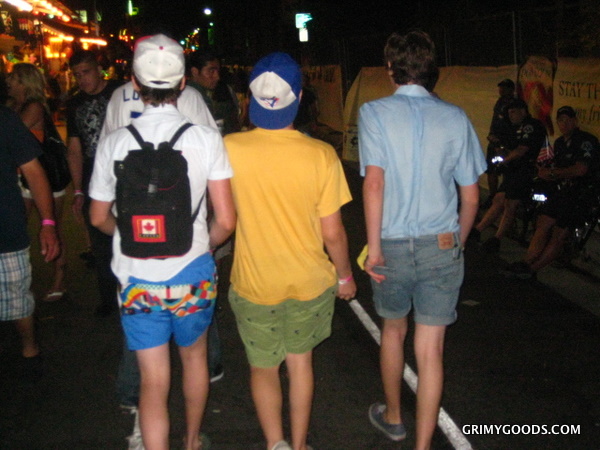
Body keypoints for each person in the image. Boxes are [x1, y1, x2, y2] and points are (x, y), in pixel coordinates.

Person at [89, 34, 235, 450]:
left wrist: (133, 235)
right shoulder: (206, 139)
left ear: (135, 83)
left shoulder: (114, 143)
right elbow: (226, 220)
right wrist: (201, 243)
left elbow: (98, 217)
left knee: (153, 379)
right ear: (182, 84)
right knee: (194, 359)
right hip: (193, 273)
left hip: (138, 279)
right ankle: (191, 440)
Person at [358, 31, 485, 448]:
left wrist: (374, 248)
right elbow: (470, 196)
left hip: (391, 244)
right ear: (430, 69)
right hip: (441, 243)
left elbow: (374, 183)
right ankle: (423, 445)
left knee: (393, 331)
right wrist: (456, 242)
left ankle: (395, 417)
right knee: (431, 351)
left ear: (390, 68)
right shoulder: (455, 117)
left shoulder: (374, 112)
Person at [224, 52, 356, 450]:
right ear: (298, 97)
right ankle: (298, 445)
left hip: (254, 282)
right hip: (309, 282)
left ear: (250, 99)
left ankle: (275, 444)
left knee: (263, 368)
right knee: (301, 364)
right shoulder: (321, 155)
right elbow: (333, 233)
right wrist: (345, 277)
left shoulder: (229, 147)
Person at [503, 106, 600, 279]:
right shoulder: (560, 143)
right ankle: (526, 262)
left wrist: (553, 173)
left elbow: (580, 170)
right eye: (561, 120)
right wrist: (545, 172)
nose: (564, 124)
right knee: (543, 223)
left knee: (559, 234)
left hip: (581, 193)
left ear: (575, 121)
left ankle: (533, 269)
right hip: (563, 190)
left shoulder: (586, 141)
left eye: (568, 120)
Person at [0, 104, 60, 378]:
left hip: (6, 229)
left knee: (16, 298)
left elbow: (34, 172)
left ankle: (29, 349)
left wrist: (47, 224)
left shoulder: (5, 120)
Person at [66, 50, 123, 317]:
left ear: (98, 69)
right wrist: (78, 190)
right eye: (77, 75)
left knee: (127, 231)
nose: (82, 80)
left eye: (86, 72)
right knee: (100, 240)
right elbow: (75, 150)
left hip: (122, 172)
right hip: (93, 176)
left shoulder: (119, 92)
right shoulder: (74, 104)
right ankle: (108, 297)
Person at [6, 62, 67, 302]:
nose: (9, 82)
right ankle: (18, 273)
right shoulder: (13, 106)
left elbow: (12, 135)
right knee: (17, 225)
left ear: (24, 82)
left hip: (44, 177)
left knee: (51, 226)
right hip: (22, 178)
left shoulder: (34, 107)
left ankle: (60, 279)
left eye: (13, 78)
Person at [473, 98, 546, 253]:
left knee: (510, 204)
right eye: (509, 113)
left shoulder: (531, 126)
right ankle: (478, 230)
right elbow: (506, 148)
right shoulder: (513, 128)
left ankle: (497, 239)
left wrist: (504, 161)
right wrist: (498, 146)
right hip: (514, 170)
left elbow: (521, 150)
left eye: (513, 112)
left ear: (523, 111)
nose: (511, 116)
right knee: (498, 199)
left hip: (526, 170)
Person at [187, 50, 241, 135]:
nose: (217, 76)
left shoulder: (224, 90)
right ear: (195, 72)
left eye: (218, 71)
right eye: (211, 71)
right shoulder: (185, 96)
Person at [483, 78, 515, 207]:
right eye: (501, 88)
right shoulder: (499, 102)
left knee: (506, 169)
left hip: (506, 143)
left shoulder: (514, 104)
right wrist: (491, 134)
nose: (501, 90)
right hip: (494, 141)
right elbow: (495, 120)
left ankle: (505, 198)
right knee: (491, 169)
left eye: (504, 88)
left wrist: (503, 142)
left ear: (511, 90)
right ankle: (492, 196)